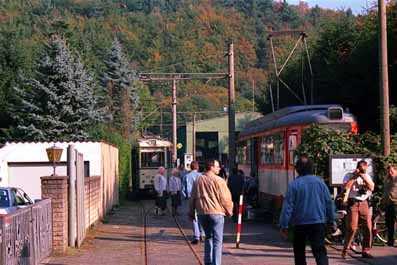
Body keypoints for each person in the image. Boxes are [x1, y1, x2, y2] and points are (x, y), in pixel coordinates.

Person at [279, 155, 335, 265]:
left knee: (299, 252)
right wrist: (332, 220)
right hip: (318, 222)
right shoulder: (320, 183)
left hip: (300, 223)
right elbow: (329, 202)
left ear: (297, 169)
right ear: (312, 168)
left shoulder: (294, 185)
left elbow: (287, 207)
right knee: (319, 251)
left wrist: (284, 225)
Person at [189, 159, 233, 265]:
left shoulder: (198, 180)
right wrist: (229, 211)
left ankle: (207, 262)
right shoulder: (219, 181)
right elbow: (225, 198)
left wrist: (191, 212)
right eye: (217, 166)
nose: (219, 168)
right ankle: (216, 263)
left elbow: (192, 198)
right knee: (217, 241)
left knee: (208, 237)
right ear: (211, 167)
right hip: (216, 213)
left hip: (202, 213)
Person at [341, 160, 375, 258]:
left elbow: (371, 187)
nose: (363, 170)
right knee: (352, 228)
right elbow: (346, 187)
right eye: (361, 168)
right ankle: (345, 249)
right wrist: (355, 176)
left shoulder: (366, 176)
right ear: (358, 167)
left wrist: (363, 176)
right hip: (353, 203)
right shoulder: (349, 175)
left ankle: (366, 250)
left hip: (364, 203)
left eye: (364, 169)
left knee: (368, 227)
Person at [185, 161, 204, 244]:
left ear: (191, 167)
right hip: (202, 199)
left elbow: (186, 189)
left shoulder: (187, 176)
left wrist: (187, 197)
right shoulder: (202, 176)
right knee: (202, 216)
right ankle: (202, 233)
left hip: (192, 199)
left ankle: (197, 236)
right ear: (197, 167)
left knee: (194, 217)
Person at [383, 164, 397, 246]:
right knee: (389, 223)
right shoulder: (387, 180)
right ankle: (390, 241)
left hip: (396, 203)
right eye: (388, 171)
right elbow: (385, 193)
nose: (390, 172)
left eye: (392, 171)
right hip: (388, 203)